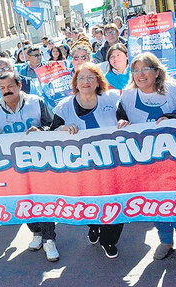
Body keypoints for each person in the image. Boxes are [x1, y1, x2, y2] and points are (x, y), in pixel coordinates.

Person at [117, 53, 176, 259]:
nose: (140, 74)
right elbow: (120, 116)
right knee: (155, 200)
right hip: (146, 160)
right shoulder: (127, 96)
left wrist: (171, 118)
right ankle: (165, 240)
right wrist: (121, 122)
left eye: (145, 68)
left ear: (156, 72)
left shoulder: (175, 90)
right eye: (136, 70)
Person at [50, 63, 122, 258]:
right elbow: (51, 132)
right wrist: (63, 129)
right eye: (81, 78)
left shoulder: (114, 99)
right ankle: (94, 225)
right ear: (75, 83)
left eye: (91, 77)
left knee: (115, 201)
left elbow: (127, 119)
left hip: (112, 163)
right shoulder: (64, 107)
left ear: (99, 81)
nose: (86, 81)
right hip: (83, 166)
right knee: (91, 202)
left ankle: (109, 240)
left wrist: (123, 122)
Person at [0, 72, 58, 261]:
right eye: (2, 88)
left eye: (10, 86)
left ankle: (50, 239)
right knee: (22, 200)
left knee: (43, 199)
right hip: (13, 166)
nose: (6, 91)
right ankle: (37, 232)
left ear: (19, 85)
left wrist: (41, 130)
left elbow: (52, 126)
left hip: (39, 162)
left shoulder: (36, 102)